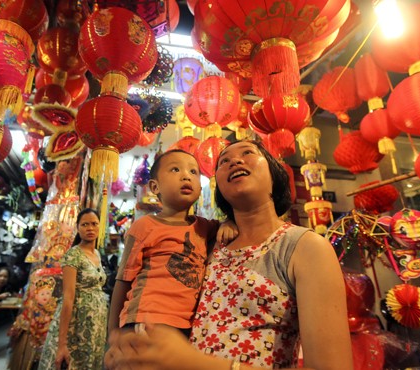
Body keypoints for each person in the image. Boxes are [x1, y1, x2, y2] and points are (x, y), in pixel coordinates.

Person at [106, 140, 353, 370]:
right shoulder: (207, 242)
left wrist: (192, 362)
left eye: (248, 153)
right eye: (223, 161)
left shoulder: (305, 246)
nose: (234, 161)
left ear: (275, 174)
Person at [108, 149, 238, 338]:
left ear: (200, 188)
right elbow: (123, 280)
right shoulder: (144, 226)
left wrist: (228, 223)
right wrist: (113, 332)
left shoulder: (204, 227)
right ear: (155, 187)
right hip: (146, 321)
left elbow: (225, 227)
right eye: (175, 170)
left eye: (193, 172)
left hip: (187, 326)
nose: (186, 176)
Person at [39, 208, 108, 370]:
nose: (90, 228)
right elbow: (68, 298)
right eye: (85, 224)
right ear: (78, 228)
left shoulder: (97, 254)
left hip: (95, 325)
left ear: (100, 226)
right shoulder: (73, 255)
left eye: (94, 224)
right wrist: (62, 343)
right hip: (77, 325)